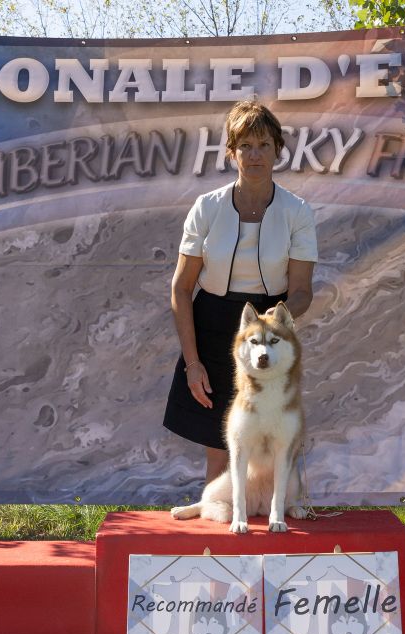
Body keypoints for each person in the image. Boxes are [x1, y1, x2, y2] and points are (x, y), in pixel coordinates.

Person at [163, 99, 318, 483]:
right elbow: (182, 288)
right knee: (219, 450)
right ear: (231, 152)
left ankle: (275, 517)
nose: (255, 155)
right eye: (245, 146)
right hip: (211, 326)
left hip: (268, 333)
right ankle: (216, 520)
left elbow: (302, 292)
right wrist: (193, 363)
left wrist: (273, 324)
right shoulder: (206, 207)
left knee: (271, 448)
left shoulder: (298, 211)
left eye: (264, 145)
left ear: (278, 150)